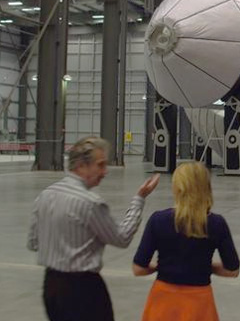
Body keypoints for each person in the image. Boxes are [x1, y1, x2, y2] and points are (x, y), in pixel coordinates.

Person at [27, 136, 160, 321]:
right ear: (81, 166)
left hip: (51, 287)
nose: (105, 171)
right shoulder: (90, 203)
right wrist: (139, 199)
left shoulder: (45, 196)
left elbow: (33, 243)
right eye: (100, 165)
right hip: (82, 290)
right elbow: (122, 238)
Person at [133, 161, 240, 321]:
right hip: (200, 304)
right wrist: (204, 267)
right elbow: (232, 271)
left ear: (177, 188)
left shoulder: (158, 220)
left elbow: (138, 269)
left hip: (163, 302)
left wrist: (161, 267)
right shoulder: (217, 224)